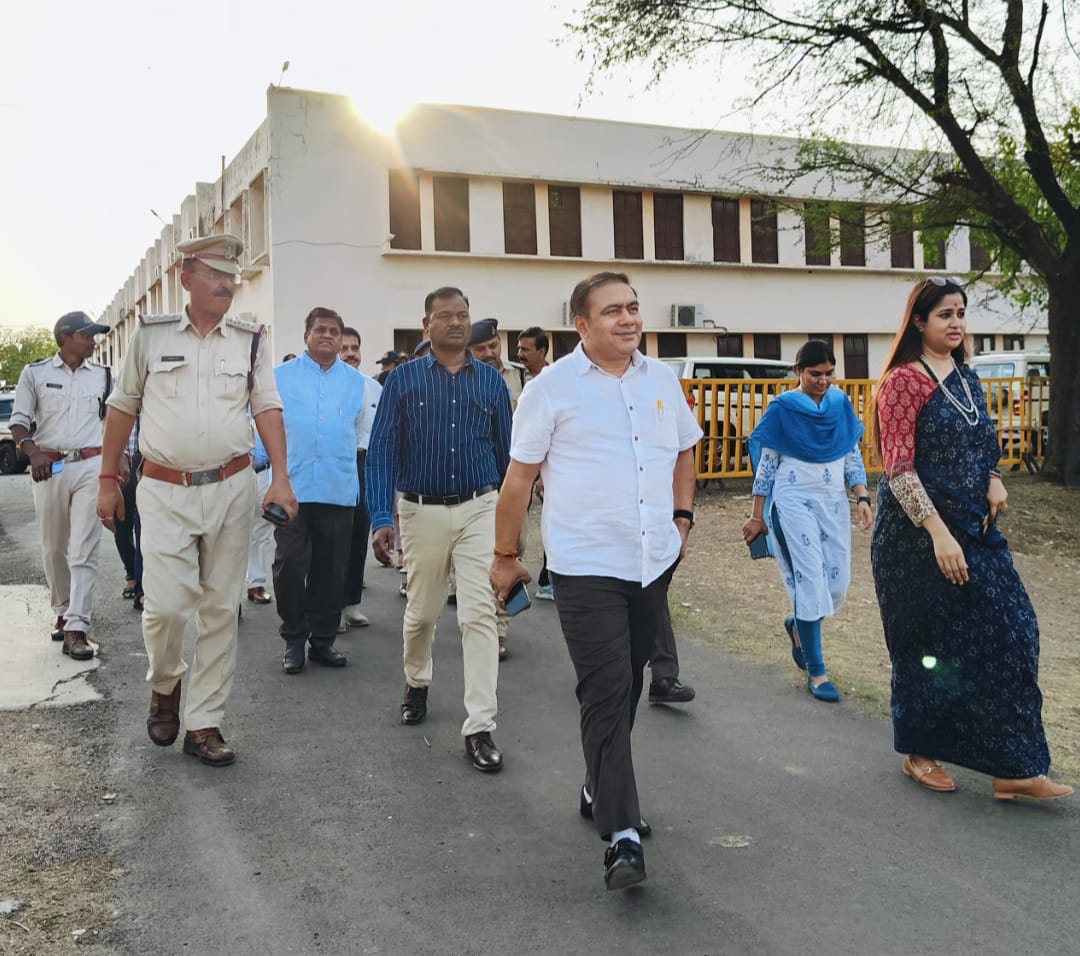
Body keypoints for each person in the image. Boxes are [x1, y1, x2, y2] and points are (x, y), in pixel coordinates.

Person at [489, 272, 701, 891]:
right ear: (582, 326)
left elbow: (686, 450)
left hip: (651, 562)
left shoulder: (661, 379)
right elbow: (519, 480)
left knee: (630, 681)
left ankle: (595, 787)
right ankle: (623, 835)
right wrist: (506, 554)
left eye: (633, 307)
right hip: (585, 567)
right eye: (613, 311)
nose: (629, 319)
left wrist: (682, 518)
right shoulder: (551, 390)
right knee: (606, 689)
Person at [96, 234, 297, 768]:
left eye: (232, 275)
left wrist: (280, 476)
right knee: (164, 608)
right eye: (215, 274)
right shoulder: (151, 336)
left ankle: (204, 722)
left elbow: (267, 407)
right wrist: (106, 479)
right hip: (163, 489)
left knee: (218, 610)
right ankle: (165, 685)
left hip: (231, 487)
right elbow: (122, 407)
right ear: (186, 278)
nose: (228, 283)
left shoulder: (251, 338)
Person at [869, 277, 1071, 801]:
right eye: (944, 315)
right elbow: (899, 470)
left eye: (961, 313)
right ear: (919, 322)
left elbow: (985, 443)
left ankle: (1015, 767)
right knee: (926, 645)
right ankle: (920, 751)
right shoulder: (901, 383)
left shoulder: (965, 377)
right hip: (915, 537)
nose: (956, 323)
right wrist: (937, 533)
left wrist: (995, 477)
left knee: (1013, 630)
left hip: (973, 528)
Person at [367, 286, 512, 773]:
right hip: (420, 510)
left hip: (478, 508)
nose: (455, 323)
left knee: (479, 616)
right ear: (425, 325)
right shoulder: (402, 382)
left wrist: (509, 530)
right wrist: (381, 519)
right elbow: (382, 451)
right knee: (422, 614)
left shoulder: (491, 384)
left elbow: (508, 457)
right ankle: (417, 679)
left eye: (463, 315)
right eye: (445, 316)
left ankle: (480, 725)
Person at [742, 339, 872, 703]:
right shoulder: (782, 409)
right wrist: (757, 516)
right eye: (815, 374)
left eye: (830, 373)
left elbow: (851, 452)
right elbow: (767, 465)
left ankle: (798, 626)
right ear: (798, 371)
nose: (823, 380)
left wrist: (861, 496)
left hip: (832, 501)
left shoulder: (839, 403)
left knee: (837, 584)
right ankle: (817, 673)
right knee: (811, 581)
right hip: (793, 499)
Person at [10, 311, 112, 661]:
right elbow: (20, 423)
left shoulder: (103, 377)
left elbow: (110, 423)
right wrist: (32, 452)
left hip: (90, 466)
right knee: (55, 547)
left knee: (84, 547)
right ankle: (63, 608)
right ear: (66, 337)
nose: (93, 341)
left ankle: (77, 627)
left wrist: (117, 463)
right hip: (49, 468)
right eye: (88, 335)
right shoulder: (34, 374)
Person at [272, 308, 369, 673]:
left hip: (338, 489)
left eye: (334, 331)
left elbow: (361, 432)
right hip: (291, 489)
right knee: (289, 567)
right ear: (306, 335)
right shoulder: (280, 377)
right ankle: (294, 638)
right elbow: (266, 423)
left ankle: (323, 640)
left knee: (332, 570)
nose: (327, 335)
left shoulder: (356, 382)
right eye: (320, 329)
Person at [466, 317, 528, 659]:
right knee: (487, 557)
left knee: (513, 551)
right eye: (481, 348)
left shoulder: (521, 377)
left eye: (493, 345)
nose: (490, 353)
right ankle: (494, 629)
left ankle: (499, 621)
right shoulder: (464, 380)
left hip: (517, 481)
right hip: (482, 483)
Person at [337, 325, 382, 630]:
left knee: (357, 536)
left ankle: (351, 602)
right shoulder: (328, 386)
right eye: (345, 348)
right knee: (332, 538)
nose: (351, 354)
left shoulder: (375, 387)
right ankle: (330, 606)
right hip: (337, 464)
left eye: (355, 347)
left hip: (366, 464)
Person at [244, 429, 274, 604]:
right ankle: (230, 596)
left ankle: (256, 583)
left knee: (262, 530)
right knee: (232, 534)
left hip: (265, 470)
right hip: (236, 473)